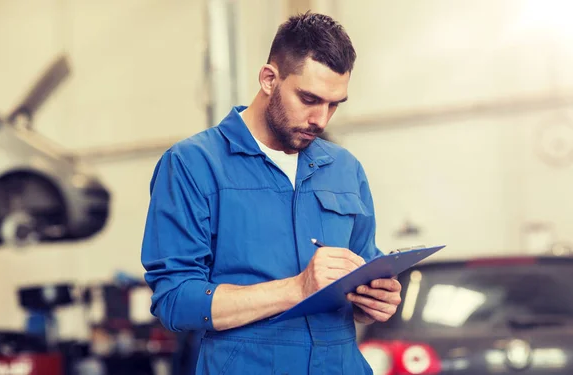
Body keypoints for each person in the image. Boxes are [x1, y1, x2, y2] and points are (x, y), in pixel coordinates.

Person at [141, 11, 402, 375]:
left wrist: (373, 300)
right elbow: (175, 301)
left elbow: (359, 274)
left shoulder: (345, 169)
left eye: (334, 104)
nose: (321, 119)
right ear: (268, 79)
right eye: (309, 99)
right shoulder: (192, 165)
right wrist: (296, 288)